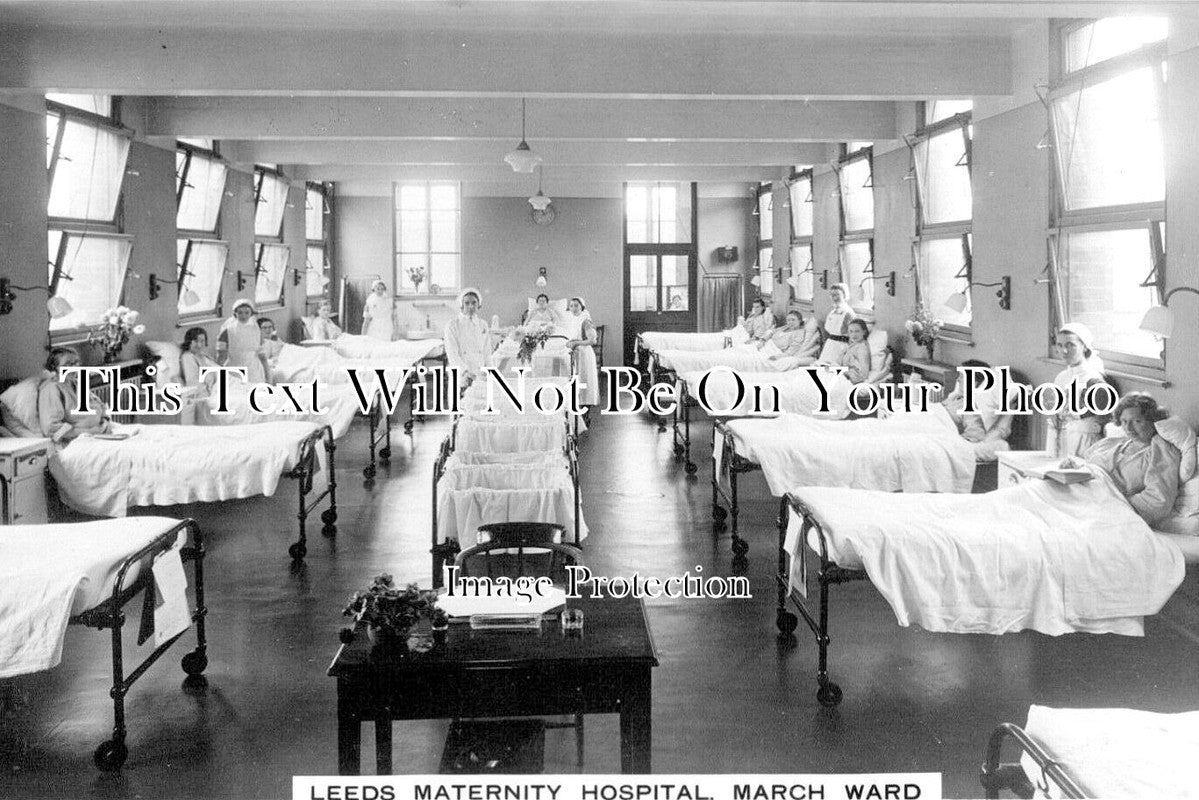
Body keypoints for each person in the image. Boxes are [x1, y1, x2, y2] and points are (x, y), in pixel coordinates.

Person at [1083, 392, 1180, 526]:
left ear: (1153, 421)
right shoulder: (1114, 443)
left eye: (1136, 421)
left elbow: (1158, 500)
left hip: (1108, 511)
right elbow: (1086, 463)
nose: (1128, 428)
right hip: (1084, 494)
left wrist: (1114, 506)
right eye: (1124, 421)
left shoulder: (1160, 451)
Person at [1049, 322, 1109, 458]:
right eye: (1060, 345)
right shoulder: (1061, 377)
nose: (1064, 351)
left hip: (1087, 443)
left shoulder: (1093, 379)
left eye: (1070, 345)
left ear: (1084, 346)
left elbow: (1102, 421)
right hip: (1064, 440)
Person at [37, 347, 111, 444]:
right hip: (76, 441)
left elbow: (99, 405)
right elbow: (51, 428)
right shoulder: (51, 389)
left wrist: (105, 421)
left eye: (76, 363)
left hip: (101, 433)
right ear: (55, 367)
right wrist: (91, 432)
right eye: (68, 364)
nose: (75, 367)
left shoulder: (76, 383)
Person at [942, 359, 1014, 455]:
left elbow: (975, 435)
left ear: (973, 382)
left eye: (962, 376)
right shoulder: (954, 398)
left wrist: (947, 441)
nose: (958, 380)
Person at [443, 287, 491, 380]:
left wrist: (489, 370)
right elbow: (452, 353)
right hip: (460, 373)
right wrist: (464, 372)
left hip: (480, 372)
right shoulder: (452, 325)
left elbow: (487, 351)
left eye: (474, 303)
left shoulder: (483, 324)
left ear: (479, 305)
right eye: (467, 303)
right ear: (461, 305)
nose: (471, 306)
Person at [216, 299, 268, 383]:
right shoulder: (227, 331)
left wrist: (268, 377)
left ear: (251, 313)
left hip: (254, 372)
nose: (243, 316)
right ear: (235, 313)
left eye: (247, 312)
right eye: (240, 312)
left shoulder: (257, 330)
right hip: (234, 372)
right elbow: (221, 357)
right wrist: (218, 377)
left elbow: (263, 357)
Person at [565, 297, 600, 407]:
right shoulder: (572, 320)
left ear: (582, 307)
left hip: (585, 355)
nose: (573, 308)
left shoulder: (585, 321)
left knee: (584, 381)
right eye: (571, 306)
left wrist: (576, 343)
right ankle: (577, 409)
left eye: (576, 305)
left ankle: (585, 410)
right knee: (576, 382)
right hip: (575, 354)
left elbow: (592, 340)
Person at [817, 283, 854, 362]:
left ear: (844, 295)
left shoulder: (848, 313)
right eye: (832, 295)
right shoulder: (832, 312)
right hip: (829, 346)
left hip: (841, 347)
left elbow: (852, 336)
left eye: (837, 294)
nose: (834, 298)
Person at [834, 318, 872, 384]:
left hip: (849, 381)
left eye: (857, 331)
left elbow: (863, 374)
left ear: (864, 332)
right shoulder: (853, 345)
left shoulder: (862, 348)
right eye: (851, 331)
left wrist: (842, 371)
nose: (854, 335)